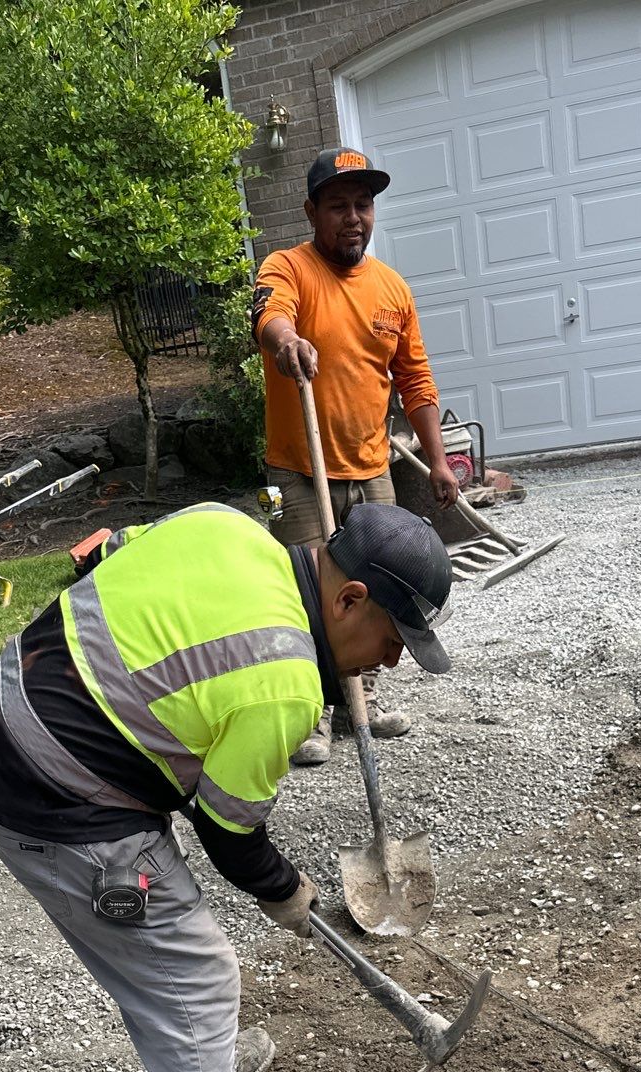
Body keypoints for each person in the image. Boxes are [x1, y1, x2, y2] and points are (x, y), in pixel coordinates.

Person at [0, 500, 454, 1072]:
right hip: (55, 792)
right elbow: (229, 834)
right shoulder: (281, 680)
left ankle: (204, 1067)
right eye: (392, 639)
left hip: (6, 709)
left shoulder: (226, 525)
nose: (389, 663)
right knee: (195, 978)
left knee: (161, 962)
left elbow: (107, 552)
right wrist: (292, 893)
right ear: (350, 599)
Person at [252, 146, 460, 766]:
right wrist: (286, 340)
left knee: (373, 591)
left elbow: (415, 380)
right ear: (311, 210)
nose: (353, 217)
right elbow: (270, 313)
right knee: (309, 592)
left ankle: (359, 700)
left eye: (363, 205)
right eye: (338, 205)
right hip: (301, 468)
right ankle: (310, 711)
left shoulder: (392, 289)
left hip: (372, 471)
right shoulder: (288, 267)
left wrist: (440, 459)